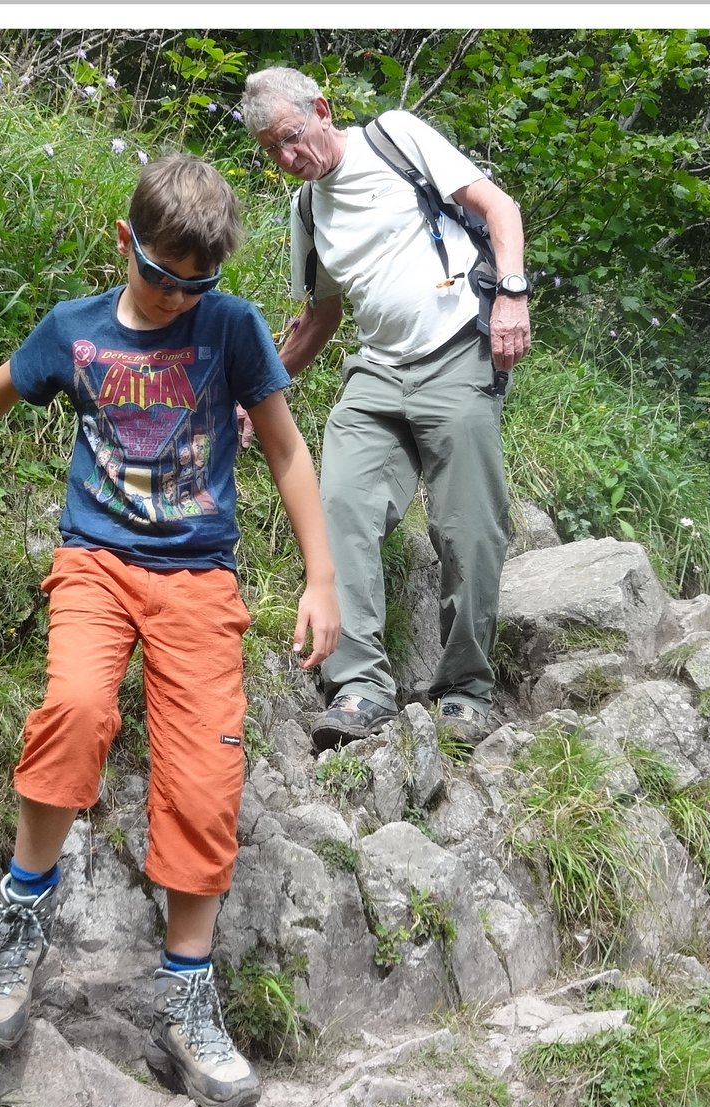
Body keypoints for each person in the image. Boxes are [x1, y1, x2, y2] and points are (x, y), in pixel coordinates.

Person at [0, 153, 339, 1107]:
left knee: (205, 772)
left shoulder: (233, 328)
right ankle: (22, 914)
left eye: (195, 283)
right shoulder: (75, 334)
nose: (176, 297)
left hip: (200, 577)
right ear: (126, 243)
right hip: (97, 563)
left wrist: (321, 578)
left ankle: (187, 996)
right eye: (161, 275)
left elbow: (284, 445)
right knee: (74, 706)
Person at [240, 66, 532, 751]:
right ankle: (361, 687)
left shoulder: (394, 138)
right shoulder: (306, 210)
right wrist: (256, 396)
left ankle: (465, 691)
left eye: (290, 137)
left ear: (321, 108)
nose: (287, 159)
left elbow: (499, 207)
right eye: (271, 151)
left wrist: (512, 293)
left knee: (469, 528)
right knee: (338, 501)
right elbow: (320, 317)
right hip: (376, 371)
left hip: (458, 348)